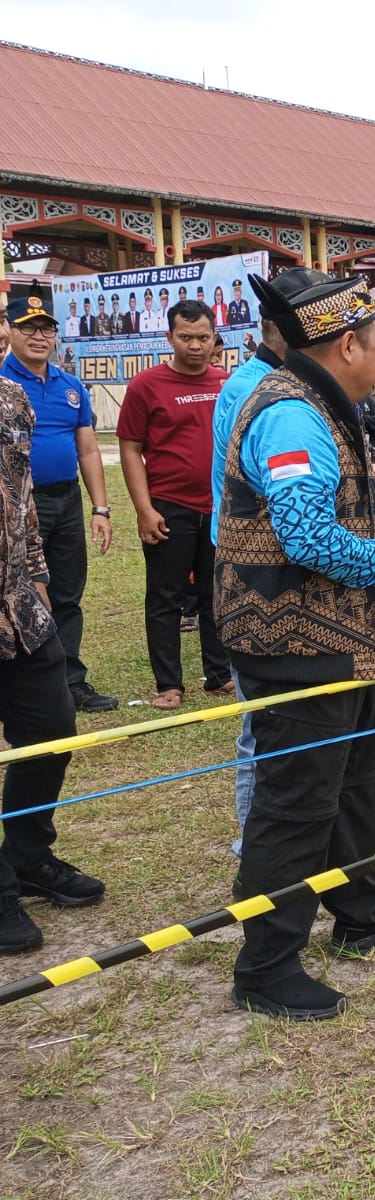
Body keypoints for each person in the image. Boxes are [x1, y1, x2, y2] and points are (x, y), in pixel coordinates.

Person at [215, 269, 375, 1020]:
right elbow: (307, 534)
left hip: (346, 636)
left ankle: (361, 910)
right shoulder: (289, 412)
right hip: (292, 640)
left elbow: (338, 513)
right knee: (296, 801)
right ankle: (266, 963)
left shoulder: (323, 400)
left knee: (356, 783)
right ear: (348, 344)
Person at [0, 362, 106, 954]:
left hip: (19, 606)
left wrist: (37, 578)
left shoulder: (12, 398)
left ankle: (27, 853)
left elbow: (23, 501)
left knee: (52, 729)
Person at [208, 275, 294, 857]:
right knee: (260, 723)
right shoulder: (256, 390)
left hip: (274, 563)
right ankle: (254, 848)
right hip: (256, 569)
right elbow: (290, 503)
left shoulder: (273, 383)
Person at [0, 288, 116, 712]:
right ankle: (27, 686)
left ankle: (71, 682)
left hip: (64, 501)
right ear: (10, 331)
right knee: (20, 593)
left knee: (66, 593)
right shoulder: (3, 385)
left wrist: (100, 507)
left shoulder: (71, 387)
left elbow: (87, 450)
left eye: (46, 328)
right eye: (28, 328)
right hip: (16, 507)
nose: (38, 336)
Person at [116, 299, 230, 708]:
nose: (195, 346)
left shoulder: (224, 382)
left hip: (218, 508)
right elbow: (130, 448)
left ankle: (218, 675)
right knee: (165, 597)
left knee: (216, 593)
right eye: (185, 337)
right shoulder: (147, 385)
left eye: (203, 337)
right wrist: (144, 509)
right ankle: (169, 684)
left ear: (215, 337)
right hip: (169, 505)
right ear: (169, 337)